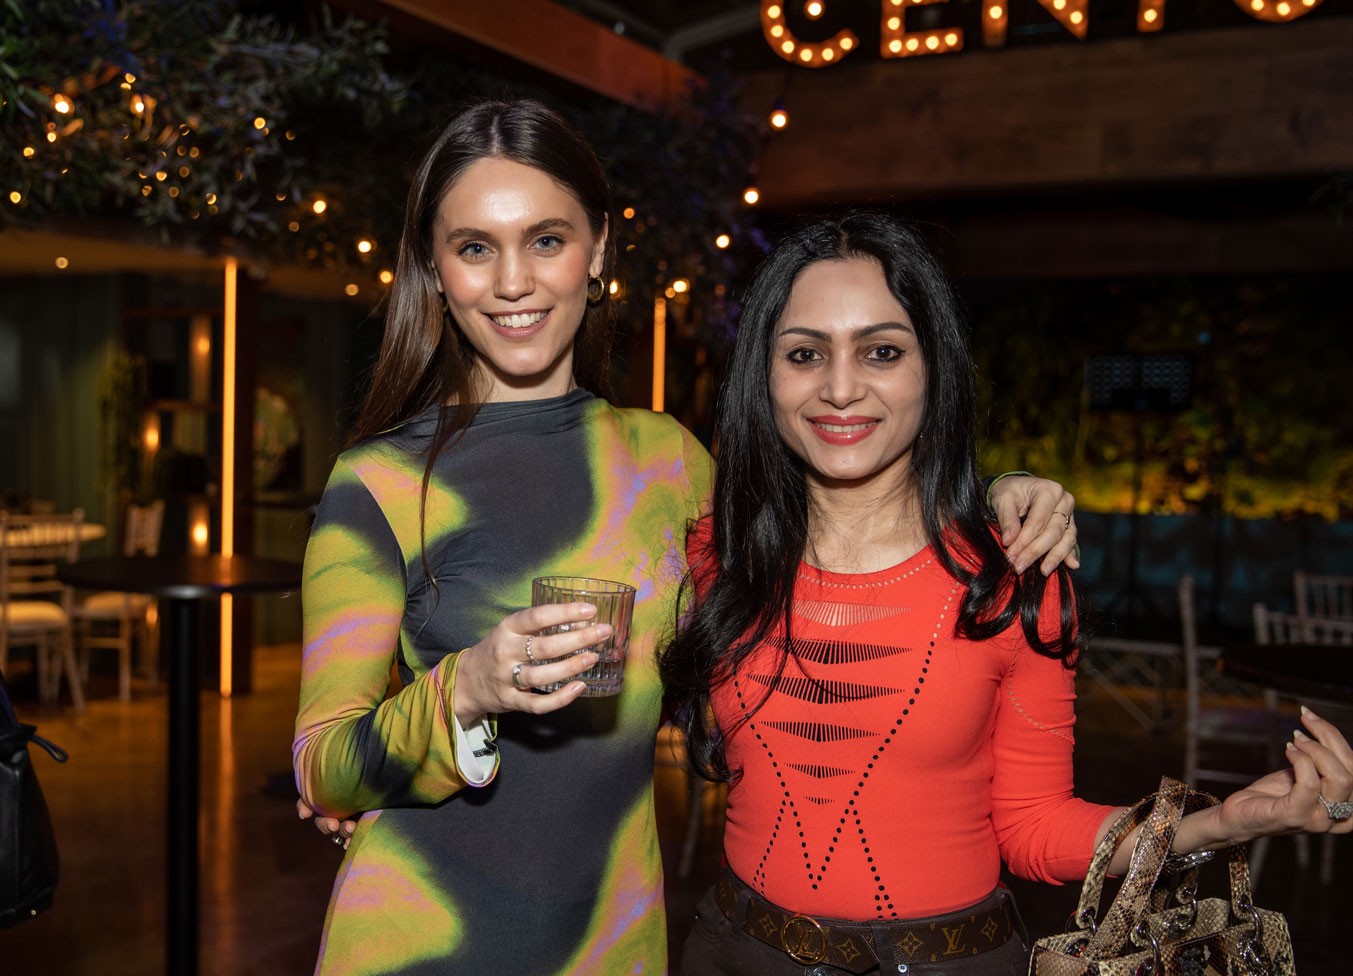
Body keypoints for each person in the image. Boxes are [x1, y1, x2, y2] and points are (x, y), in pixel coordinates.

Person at [292, 101, 1082, 975]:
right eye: (475, 247)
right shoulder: (380, 483)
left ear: (598, 250)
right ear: (435, 270)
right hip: (414, 944)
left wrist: (996, 495)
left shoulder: (667, 464)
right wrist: (466, 690)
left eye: (546, 240)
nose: (513, 281)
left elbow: (829, 526)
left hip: (612, 947)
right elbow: (322, 765)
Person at [658, 212, 1353, 976]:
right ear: (763, 376)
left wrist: (1222, 823)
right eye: (804, 353)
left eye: (882, 351)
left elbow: (1033, 827)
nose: (841, 387)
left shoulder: (1013, 577)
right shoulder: (716, 556)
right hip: (730, 954)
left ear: (934, 371)